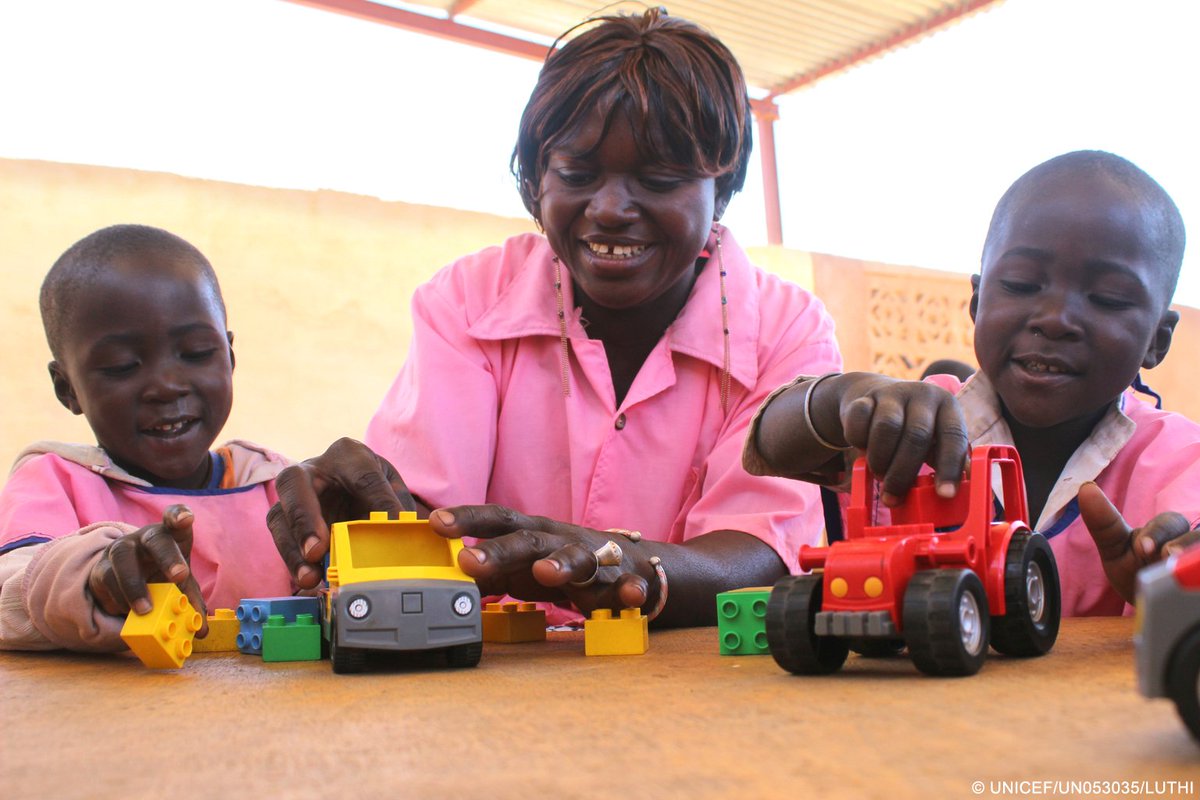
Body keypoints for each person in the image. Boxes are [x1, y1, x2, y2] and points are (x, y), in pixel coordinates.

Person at [268, 9, 842, 627]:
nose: (612, 208)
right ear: (535, 180)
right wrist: (356, 517)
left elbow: (760, 552)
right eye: (577, 173)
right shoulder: (467, 301)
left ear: (722, 188)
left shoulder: (787, 330)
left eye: (658, 178)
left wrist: (633, 567)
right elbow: (419, 519)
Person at [744, 150, 1200, 615]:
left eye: (1107, 298)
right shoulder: (914, 420)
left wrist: (1173, 583)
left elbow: (1187, 547)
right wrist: (841, 398)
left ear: (1157, 340)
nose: (1056, 319)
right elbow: (769, 443)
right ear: (977, 301)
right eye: (1022, 284)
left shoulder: (1181, 463)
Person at [0, 224, 294, 651]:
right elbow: (10, 596)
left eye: (196, 353)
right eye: (122, 366)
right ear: (68, 388)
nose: (166, 385)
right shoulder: (55, 482)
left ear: (229, 356)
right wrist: (94, 579)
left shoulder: (274, 486)